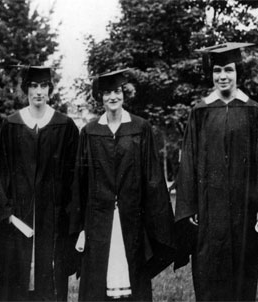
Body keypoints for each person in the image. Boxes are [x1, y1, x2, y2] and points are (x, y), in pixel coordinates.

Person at [174, 43, 258, 301]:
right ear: (211, 73)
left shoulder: (253, 111)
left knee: (242, 277)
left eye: (229, 70)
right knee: (208, 275)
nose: (223, 76)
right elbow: (188, 161)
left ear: (237, 72)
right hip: (209, 214)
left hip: (244, 212)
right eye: (218, 70)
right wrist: (191, 206)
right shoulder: (200, 112)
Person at [69, 69, 176, 301]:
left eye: (116, 91)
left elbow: (153, 180)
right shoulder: (90, 132)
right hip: (98, 222)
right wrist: (80, 227)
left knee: (133, 282)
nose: (112, 97)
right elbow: (80, 182)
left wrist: (155, 224)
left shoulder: (140, 128)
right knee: (99, 284)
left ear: (124, 93)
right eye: (106, 93)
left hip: (133, 221)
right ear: (100, 97)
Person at [0, 65, 79, 301]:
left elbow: (74, 178)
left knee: (50, 282)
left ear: (50, 89)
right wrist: (7, 213)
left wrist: (66, 215)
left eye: (43, 86)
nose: (38, 91)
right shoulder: (11, 125)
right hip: (17, 221)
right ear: (25, 89)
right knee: (15, 283)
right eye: (33, 86)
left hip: (53, 221)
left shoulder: (65, 126)